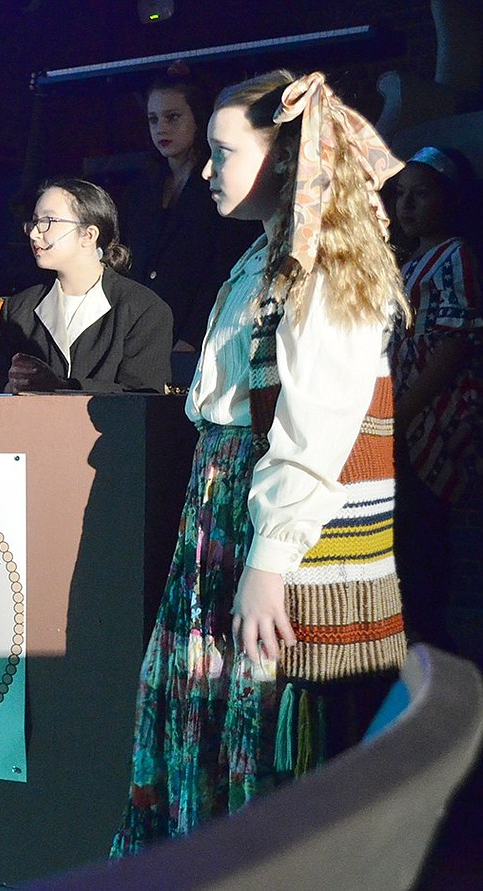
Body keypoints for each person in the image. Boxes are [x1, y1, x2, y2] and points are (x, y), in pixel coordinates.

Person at [109, 70, 410, 855]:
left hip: (263, 511)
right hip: (223, 502)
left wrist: (269, 561)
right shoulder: (265, 257)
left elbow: (319, 427)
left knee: (258, 709)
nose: (206, 170)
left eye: (222, 151)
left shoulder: (320, 269)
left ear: (283, 158)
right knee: (208, 705)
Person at [390, 146, 483, 649]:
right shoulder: (410, 260)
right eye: (401, 194)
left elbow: (452, 344)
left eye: (421, 193)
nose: (407, 205)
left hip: (434, 418)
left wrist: (403, 412)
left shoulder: (456, 255)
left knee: (426, 537)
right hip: (403, 415)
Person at [120, 68, 259, 352]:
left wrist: (192, 337)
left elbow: (223, 266)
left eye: (173, 117)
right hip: (144, 334)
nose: (161, 128)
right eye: (153, 119)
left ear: (198, 118)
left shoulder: (220, 186)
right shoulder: (142, 189)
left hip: (200, 334)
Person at [0, 177, 172, 393]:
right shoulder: (17, 310)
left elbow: (144, 396)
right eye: (34, 222)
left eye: (48, 222)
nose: (34, 233)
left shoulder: (143, 309)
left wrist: (61, 387)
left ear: (89, 235)